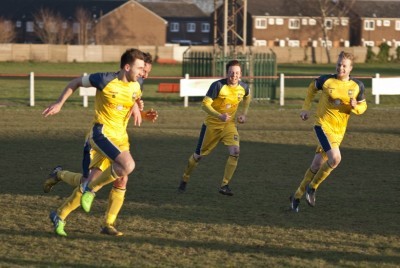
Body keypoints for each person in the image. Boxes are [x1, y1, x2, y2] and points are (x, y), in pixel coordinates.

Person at [42, 52, 156, 236]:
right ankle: (86, 190)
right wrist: (59, 103)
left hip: (120, 138)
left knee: (120, 176)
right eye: (142, 69)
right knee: (122, 168)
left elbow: (131, 99)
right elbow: (75, 82)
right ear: (127, 67)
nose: (144, 74)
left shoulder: (138, 83)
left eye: (145, 70)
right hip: (101, 135)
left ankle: (101, 223)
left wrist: (141, 113)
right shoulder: (104, 80)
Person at [289, 51, 367, 212]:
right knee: (336, 158)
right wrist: (305, 109)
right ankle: (312, 188)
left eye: (344, 66)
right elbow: (312, 88)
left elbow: (363, 106)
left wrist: (355, 106)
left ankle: (296, 196)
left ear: (350, 68)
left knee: (317, 164)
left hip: (339, 133)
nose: (341, 68)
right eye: (339, 64)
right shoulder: (326, 80)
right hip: (322, 126)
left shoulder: (357, 86)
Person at [177, 60, 251, 196]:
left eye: (237, 73)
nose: (234, 75)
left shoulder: (244, 87)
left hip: (229, 126)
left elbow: (247, 97)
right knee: (198, 156)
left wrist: (243, 114)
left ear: (240, 74)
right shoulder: (218, 85)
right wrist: (219, 115)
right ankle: (185, 177)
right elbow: (204, 105)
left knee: (235, 151)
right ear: (227, 73)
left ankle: (224, 185)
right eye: (231, 72)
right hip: (211, 126)